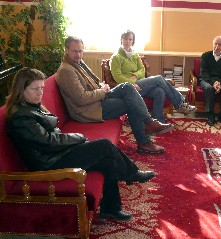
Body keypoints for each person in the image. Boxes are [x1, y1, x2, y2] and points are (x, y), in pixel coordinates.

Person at [5, 67, 157, 221]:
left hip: (55, 154)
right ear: (21, 90)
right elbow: (48, 142)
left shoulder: (30, 105)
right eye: (34, 89)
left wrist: (71, 139)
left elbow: (49, 137)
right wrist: (77, 137)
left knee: (107, 159)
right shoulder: (21, 117)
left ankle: (111, 208)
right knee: (104, 145)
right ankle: (132, 174)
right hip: (48, 163)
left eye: (42, 88)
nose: (40, 93)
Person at [56, 36, 173, 155]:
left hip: (97, 99)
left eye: (80, 51)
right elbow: (81, 98)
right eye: (74, 51)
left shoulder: (77, 63)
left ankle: (148, 124)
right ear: (66, 50)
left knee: (127, 86)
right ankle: (144, 140)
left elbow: (91, 83)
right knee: (130, 103)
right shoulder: (67, 70)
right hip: (88, 110)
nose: (78, 54)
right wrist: (102, 91)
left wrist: (101, 86)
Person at [109, 30, 196, 123]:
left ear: (132, 41)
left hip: (140, 85)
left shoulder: (134, 55)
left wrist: (135, 75)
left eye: (130, 39)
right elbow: (117, 77)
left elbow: (142, 70)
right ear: (121, 40)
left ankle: (157, 121)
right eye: (125, 39)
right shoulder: (116, 57)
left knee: (160, 91)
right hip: (127, 88)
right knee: (159, 78)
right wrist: (132, 83)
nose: (128, 41)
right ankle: (179, 104)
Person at [198, 36, 221, 126]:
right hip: (206, 80)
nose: (217, 46)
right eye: (215, 44)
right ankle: (210, 114)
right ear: (212, 44)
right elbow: (203, 73)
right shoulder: (205, 56)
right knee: (209, 88)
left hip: (220, 81)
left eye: (220, 44)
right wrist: (213, 83)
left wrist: (219, 83)